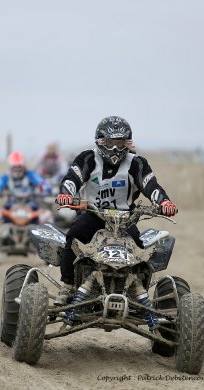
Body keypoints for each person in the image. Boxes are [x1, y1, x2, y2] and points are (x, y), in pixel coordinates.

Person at [54, 116, 178, 306]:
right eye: (110, 142)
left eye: (119, 142)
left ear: (127, 142)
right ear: (101, 141)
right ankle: (68, 285)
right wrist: (65, 194)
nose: (115, 148)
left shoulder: (137, 163)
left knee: (138, 246)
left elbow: (151, 185)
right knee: (74, 234)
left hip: (126, 219)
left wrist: (165, 202)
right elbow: (72, 178)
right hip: (93, 215)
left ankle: (138, 291)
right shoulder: (87, 158)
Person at [0, 151, 52, 222]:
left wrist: (45, 190)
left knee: (46, 216)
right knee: (1, 215)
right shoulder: (5, 177)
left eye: (19, 167)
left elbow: (43, 183)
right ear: (10, 167)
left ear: (23, 166)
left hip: (30, 206)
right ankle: (4, 231)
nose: (17, 170)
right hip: (11, 207)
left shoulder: (31, 175)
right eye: (15, 167)